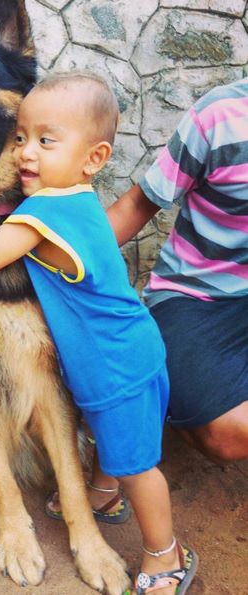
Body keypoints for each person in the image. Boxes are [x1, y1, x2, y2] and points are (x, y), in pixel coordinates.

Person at [0, 72, 197, 595]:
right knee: (108, 437)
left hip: (115, 364)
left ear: (94, 158)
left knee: (137, 463)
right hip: (131, 350)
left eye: (47, 141)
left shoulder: (42, 212)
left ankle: (167, 556)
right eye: (21, 137)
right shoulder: (78, 198)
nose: (26, 153)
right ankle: (102, 493)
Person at [107, 77, 248, 464]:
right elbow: (138, 204)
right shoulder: (220, 116)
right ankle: (174, 400)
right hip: (197, 294)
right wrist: (59, 256)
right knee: (229, 434)